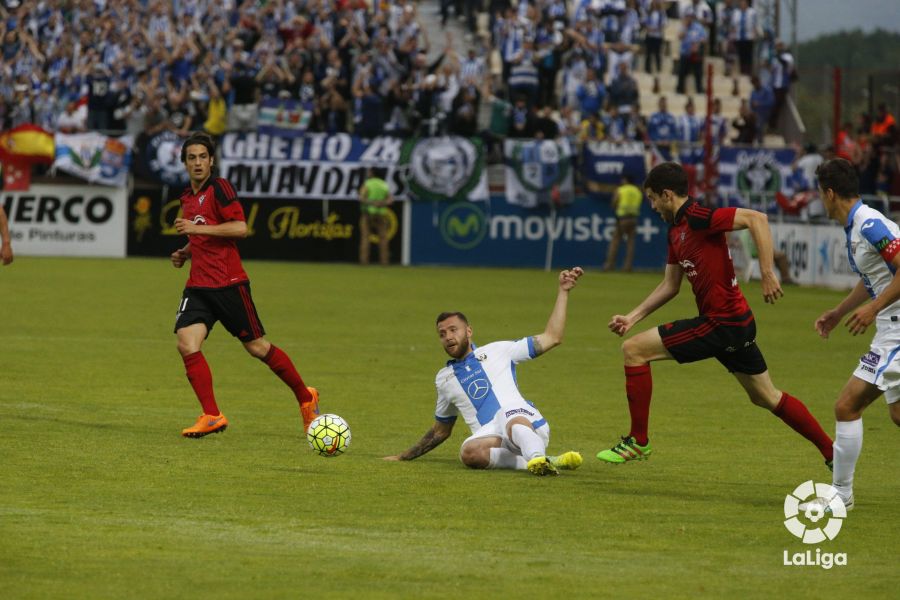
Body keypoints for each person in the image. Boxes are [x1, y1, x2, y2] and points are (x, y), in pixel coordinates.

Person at [596, 162, 834, 468]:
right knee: (765, 396)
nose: (652, 206)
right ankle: (832, 452)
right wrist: (632, 317)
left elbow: (756, 218)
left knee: (634, 350)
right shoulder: (675, 232)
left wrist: (766, 271)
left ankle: (638, 442)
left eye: (653, 199)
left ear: (667, 195)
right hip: (736, 324)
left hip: (720, 323)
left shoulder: (698, 217)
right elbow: (670, 285)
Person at [170, 132, 320, 438]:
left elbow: (240, 228)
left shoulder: (220, 187)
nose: (197, 163)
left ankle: (306, 397)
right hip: (199, 285)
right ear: (184, 162)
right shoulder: (186, 196)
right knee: (186, 343)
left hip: (228, 284)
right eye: (191, 158)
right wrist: (186, 251)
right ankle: (212, 415)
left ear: (211, 160)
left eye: (202, 157)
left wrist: (199, 229)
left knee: (256, 347)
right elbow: (203, 233)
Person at [384, 268, 586, 476]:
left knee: (508, 415)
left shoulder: (499, 350)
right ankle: (545, 461)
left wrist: (563, 292)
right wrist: (403, 456)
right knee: (468, 453)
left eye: (454, 330)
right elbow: (440, 430)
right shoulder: (444, 379)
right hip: (493, 439)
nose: (448, 337)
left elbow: (552, 337)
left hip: (526, 423)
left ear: (468, 331)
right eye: (442, 334)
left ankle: (536, 456)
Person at [798, 159, 900, 515]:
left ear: (829, 193)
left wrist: (874, 309)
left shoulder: (870, 225)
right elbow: (875, 275)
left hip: (898, 329)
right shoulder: (858, 226)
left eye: (819, 194)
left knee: (846, 406)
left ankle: (841, 494)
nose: (819, 201)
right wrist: (839, 312)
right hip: (890, 325)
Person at [603, 174, 643, 272]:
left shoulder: (621, 190)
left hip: (622, 219)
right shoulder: (637, 191)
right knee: (630, 243)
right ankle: (627, 267)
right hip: (633, 218)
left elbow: (614, 202)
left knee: (615, 241)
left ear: (625, 180)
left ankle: (609, 265)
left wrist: (615, 207)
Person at [358, 168, 394, 265]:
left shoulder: (368, 183)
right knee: (383, 238)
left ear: (373, 173)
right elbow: (390, 200)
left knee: (365, 237)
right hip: (381, 213)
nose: (368, 173)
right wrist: (381, 203)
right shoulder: (384, 184)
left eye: (370, 172)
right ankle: (384, 261)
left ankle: (364, 261)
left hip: (368, 213)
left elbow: (361, 197)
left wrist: (371, 203)